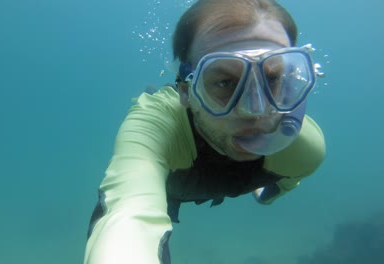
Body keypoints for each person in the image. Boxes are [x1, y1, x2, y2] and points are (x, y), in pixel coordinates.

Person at [84, 0, 326, 263]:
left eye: (273, 78)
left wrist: (265, 196)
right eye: (225, 82)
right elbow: (127, 216)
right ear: (186, 90)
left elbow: (284, 184)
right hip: (168, 188)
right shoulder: (154, 128)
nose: (255, 110)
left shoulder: (304, 150)